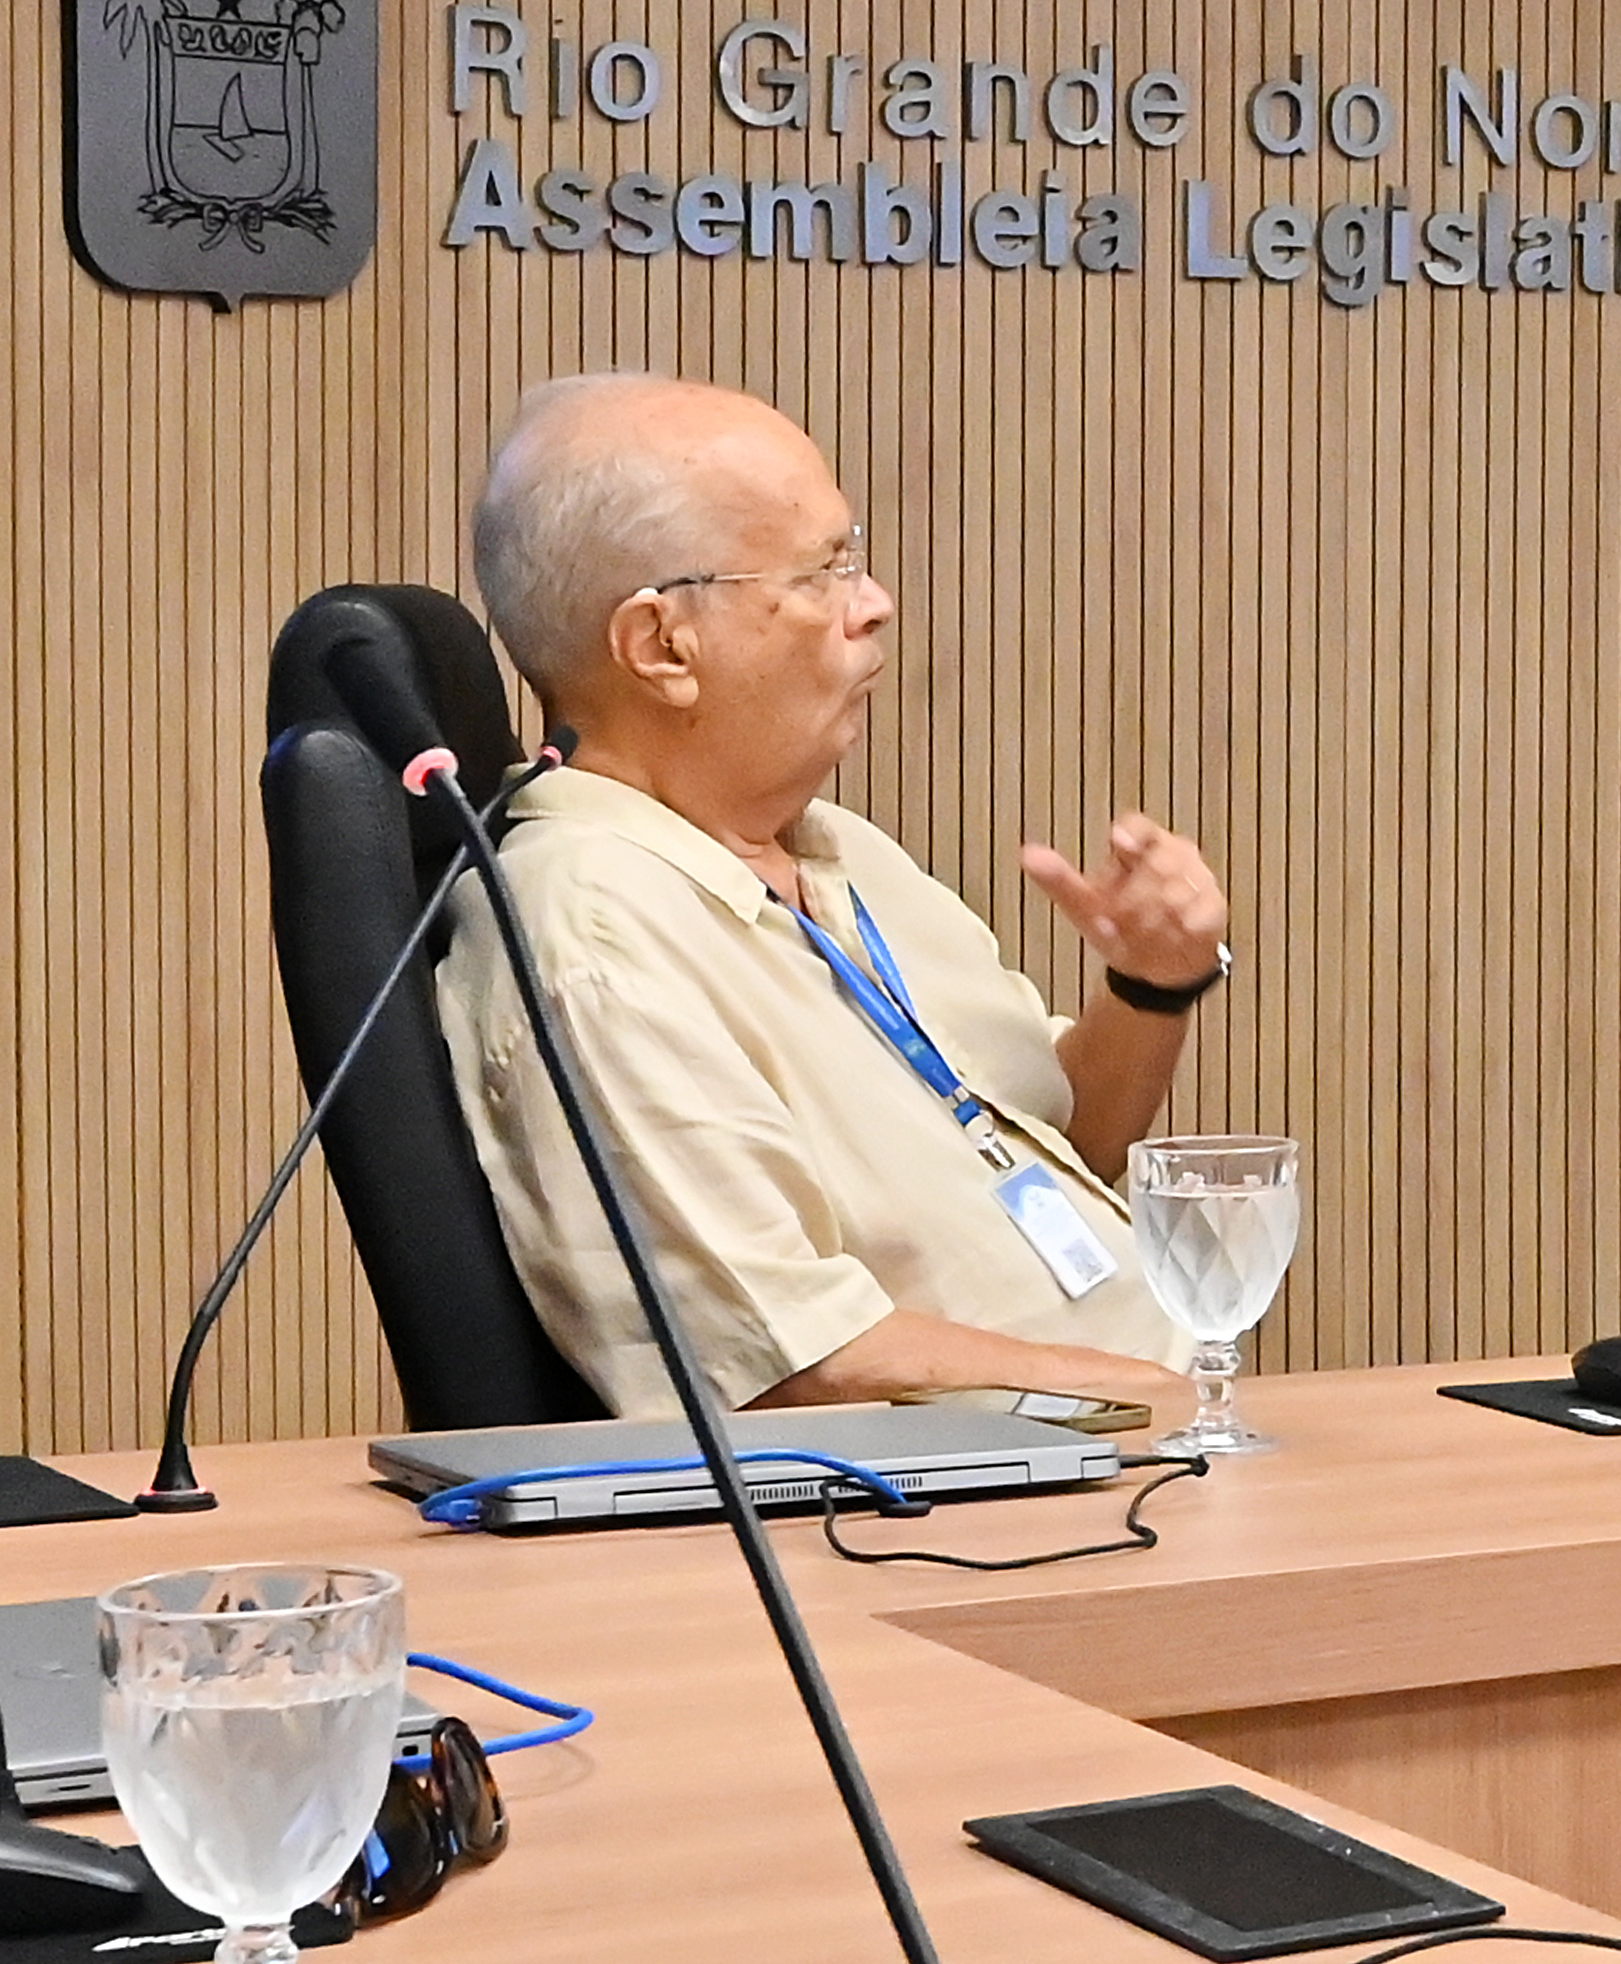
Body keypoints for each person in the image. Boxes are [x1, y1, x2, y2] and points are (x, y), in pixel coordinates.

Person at [436, 375, 1234, 1417]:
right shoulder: (595, 935)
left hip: (1142, 1435)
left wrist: (1152, 985)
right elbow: (790, 1357)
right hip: (1022, 1488)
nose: (875, 601)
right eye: (823, 572)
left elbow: (1054, 1144)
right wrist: (1194, 1404)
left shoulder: (835, 850)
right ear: (663, 645)